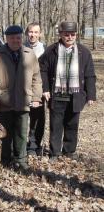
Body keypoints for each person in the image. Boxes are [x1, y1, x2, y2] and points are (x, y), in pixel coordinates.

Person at [0, 25, 42, 171]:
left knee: (21, 132)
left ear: (21, 38)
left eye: (18, 37)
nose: (15, 40)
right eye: (12, 38)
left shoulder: (29, 54)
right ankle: (5, 159)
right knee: (4, 132)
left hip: (23, 100)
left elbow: (37, 77)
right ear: (6, 38)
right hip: (4, 101)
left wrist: (36, 97)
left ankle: (21, 159)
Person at [39, 21, 96, 161]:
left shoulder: (84, 52)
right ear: (61, 34)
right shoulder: (51, 50)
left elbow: (90, 74)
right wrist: (45, 88)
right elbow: (42, 70)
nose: (69, 37)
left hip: (76, 95)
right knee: (56, 125)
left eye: (72, 34)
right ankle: (55, 153)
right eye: (66, 34)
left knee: (72, 124)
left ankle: (69, 151)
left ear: (76, 35)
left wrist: (91, 95)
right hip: (57, 93)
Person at [24, 22, 46, 156]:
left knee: (37, 118)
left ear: (40, 34)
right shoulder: (20, 48)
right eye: (31, 32)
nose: (33, 35)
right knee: (23, 117)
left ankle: (34, 144)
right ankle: (21, 144)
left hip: (39, 88)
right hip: (23, 89)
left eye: (36, 32)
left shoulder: (45, 50)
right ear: (27, 33)